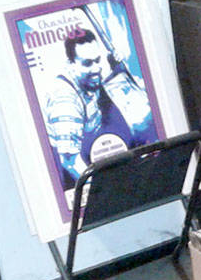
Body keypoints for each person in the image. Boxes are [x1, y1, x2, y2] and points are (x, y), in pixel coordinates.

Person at [43, 27, 158, 188]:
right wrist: (106, 190)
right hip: (75, 173)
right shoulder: (64, 101)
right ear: (70, 64)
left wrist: (114, 65)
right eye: (87, 63)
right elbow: (70, 161)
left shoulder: (89, 79)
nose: (96, 68)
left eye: (97, 60)